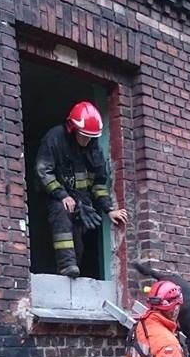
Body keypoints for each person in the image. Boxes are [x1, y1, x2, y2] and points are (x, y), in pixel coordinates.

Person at [35, 101, 128, 279]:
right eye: (84, 136)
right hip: (55, 197)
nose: (87, 141)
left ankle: (71, 270)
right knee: (61, 217)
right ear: (72, 128)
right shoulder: (55, 138)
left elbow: (99, 183)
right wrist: (62, 195)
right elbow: (42, 170)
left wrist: (109, 209)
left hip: (81, 203)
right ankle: (66, 266)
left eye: (91, 137)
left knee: (78, 244)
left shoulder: (94, 150)